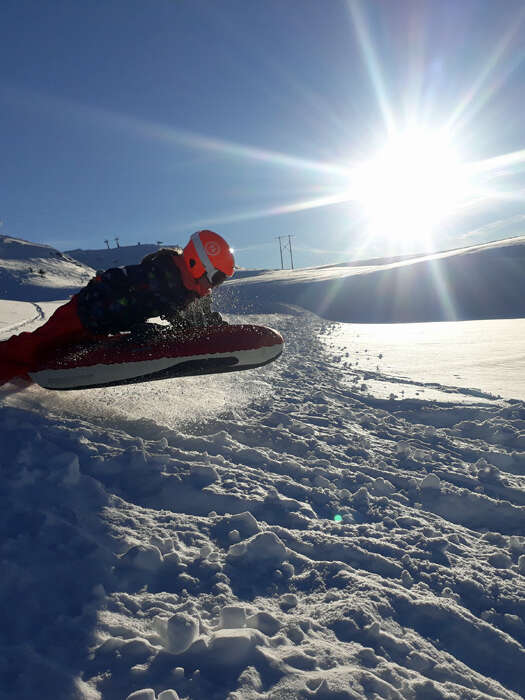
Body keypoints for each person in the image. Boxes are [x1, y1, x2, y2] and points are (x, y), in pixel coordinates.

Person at [0, 230, 234, 384]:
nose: (214, 287)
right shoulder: (163, 276)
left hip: (101, 326)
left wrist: (213, 330)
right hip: (83, 313)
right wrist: (139, 327)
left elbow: (192, 314)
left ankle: (28, 373)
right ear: (197, 264)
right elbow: (131, 299)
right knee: (35, 346)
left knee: (57, 351)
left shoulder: (189, 287)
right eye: (216, 279)